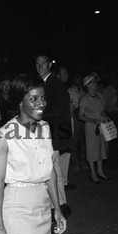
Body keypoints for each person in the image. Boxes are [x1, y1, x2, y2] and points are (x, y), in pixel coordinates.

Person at [0, 73, 66, 234]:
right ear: (19, 102)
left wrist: (57, 208)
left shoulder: (45, 128)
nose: (41, 103)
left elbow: (49, 172)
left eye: (43, 98)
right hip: (17, 209)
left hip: (42, 206)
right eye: (33, 99)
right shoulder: (4, 135)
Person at [35, 54, 73, 215]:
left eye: (43, 63)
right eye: (37, 64)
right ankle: (60, 204)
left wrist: (38, 113)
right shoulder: (44, 83)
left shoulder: (55, 84)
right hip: (50, 133)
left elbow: (57, 110)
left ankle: (58, 206)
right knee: (53, 169)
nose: (39, 67)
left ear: (49, 65)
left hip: (54, 133)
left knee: (52, 169)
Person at [78, 73, 109, 183]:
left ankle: (100, 170)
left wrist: (103, 116)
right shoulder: (85, 99)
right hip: (91, 127)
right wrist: (92, 120)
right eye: (93, 82)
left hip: (101, 125)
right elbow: (80, 116)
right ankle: (93, 172)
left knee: (101, 147)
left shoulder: (99, 95)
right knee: (92, 149)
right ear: (87, 85)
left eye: (95, 82)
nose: (95, 84)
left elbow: (103, 109)